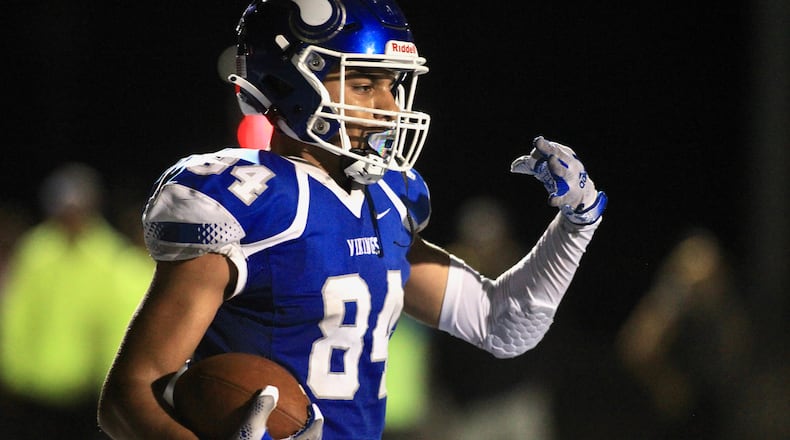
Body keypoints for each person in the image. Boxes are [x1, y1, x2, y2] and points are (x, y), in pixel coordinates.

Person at [97, 1, 608, 439]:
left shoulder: (388, 199)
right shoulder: (247, 200)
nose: (388, 105)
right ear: (288, 84)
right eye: (364, 84)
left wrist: (577, 224)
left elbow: (502, 326)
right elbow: (127, 396)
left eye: (391, 85)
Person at [0, 163, 152, 439]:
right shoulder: (36, 252)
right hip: (34, 392)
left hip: (88, 396)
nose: (71, 215)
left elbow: (116, 326)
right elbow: (16, 313)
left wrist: (112, 384)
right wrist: (12, 370)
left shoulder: (111, 259)